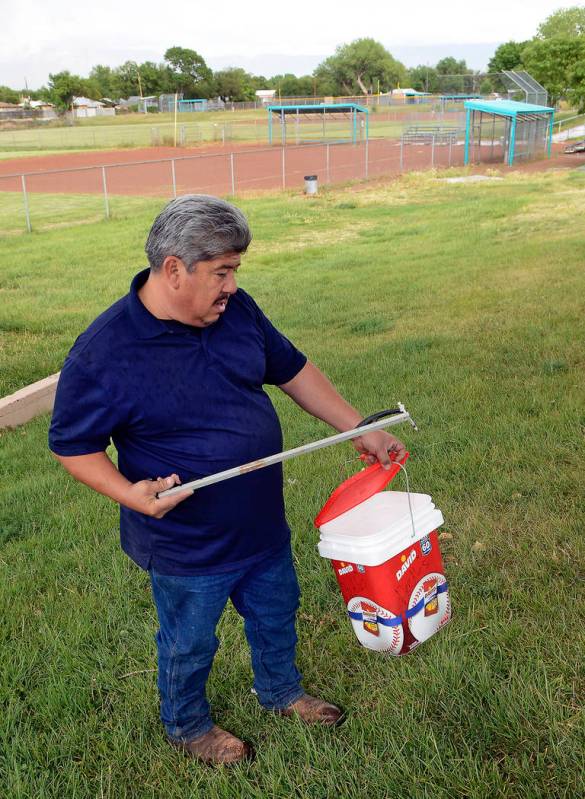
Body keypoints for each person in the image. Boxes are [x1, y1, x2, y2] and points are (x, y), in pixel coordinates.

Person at [49, 195, 406, 765]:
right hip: (188, 544)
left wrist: (357, 426)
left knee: (275, 614)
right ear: (173, 270)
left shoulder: (235, 312)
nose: (232, 286)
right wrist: (130, 494)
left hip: (261, 523)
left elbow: (291, 369)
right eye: (222, 272)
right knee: (189, 644)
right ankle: (188, 725)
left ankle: (281, 692)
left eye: (235, 271)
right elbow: (72, 446)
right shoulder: (104, 352)